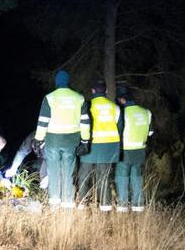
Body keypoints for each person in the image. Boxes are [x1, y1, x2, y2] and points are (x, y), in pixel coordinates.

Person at [33, 70, 90, 208]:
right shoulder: (79, 98)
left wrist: (38, 139)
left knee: (53, 171)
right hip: (71, 141)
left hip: (53, 140)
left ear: (57, 82)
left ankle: (54, 204)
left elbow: (43, 121)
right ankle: (68, 203)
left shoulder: (50, 97)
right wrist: (85, 140)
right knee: (68, 172)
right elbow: (85, 122)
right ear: (68, 82)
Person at [77, 79, 121, 211]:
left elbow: (82, 125)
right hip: (109, 147)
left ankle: (82, 206)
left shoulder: (87, 106)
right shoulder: (115, 107)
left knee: (84, 176)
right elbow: (120, 127)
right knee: (104, 178)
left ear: (93, 91)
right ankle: (105, 208)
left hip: (91, 146)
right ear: (106, 91)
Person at [114, 86, 153, 212]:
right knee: (136, 178)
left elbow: (117, 132)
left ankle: (123, 206)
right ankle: (138, 206)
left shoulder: (123, 112)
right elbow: (150, 132)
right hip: (140, 151)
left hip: (125, 151)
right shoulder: (146, 112)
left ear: (122, 100)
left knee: (122, 178)